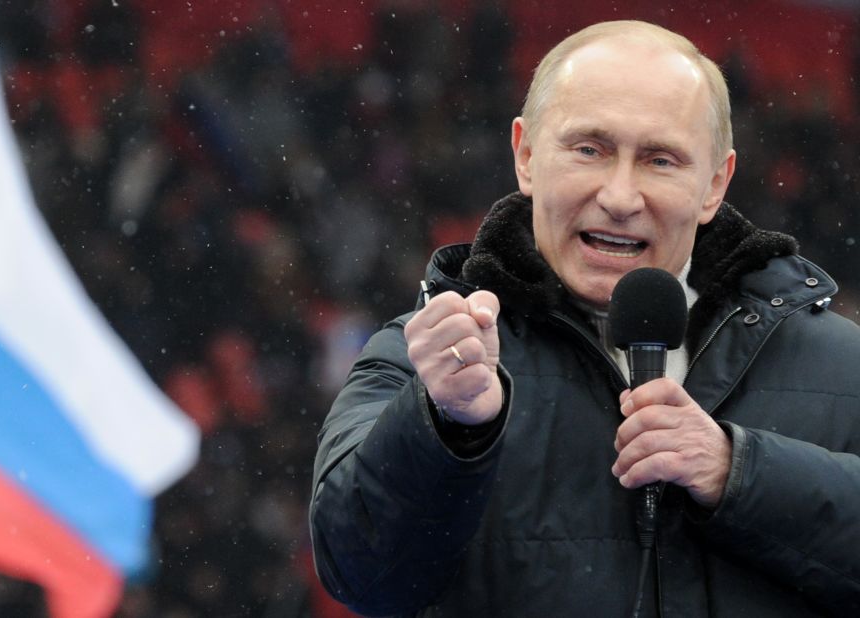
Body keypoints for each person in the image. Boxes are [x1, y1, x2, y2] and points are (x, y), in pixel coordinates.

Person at [309, 20, 860, 617]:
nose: (621, 197)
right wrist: (447, 427)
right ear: (524, 155)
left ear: (715, 183)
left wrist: (740, 471)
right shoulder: (426, 359)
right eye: (589, 150)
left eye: (660, 159)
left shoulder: (839, 363)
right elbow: (361, 576)